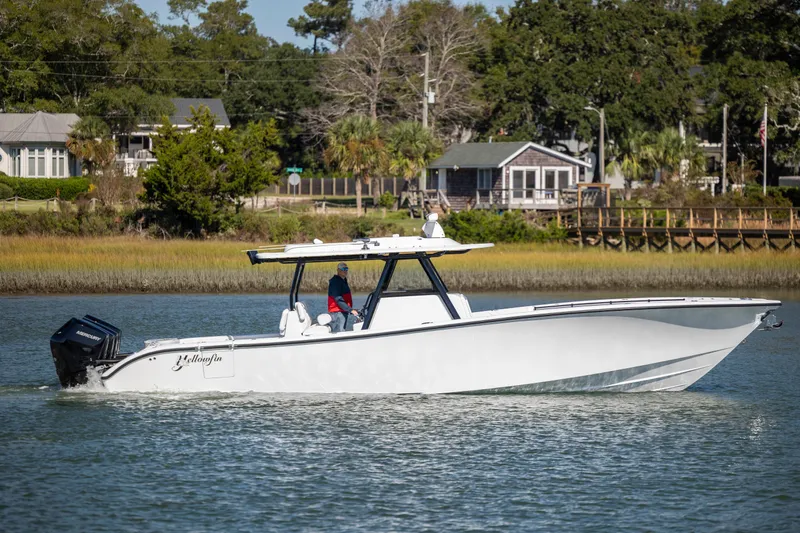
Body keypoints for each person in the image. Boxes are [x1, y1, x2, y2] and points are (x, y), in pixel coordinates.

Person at [328, 262, 358, 332]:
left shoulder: (343, 280)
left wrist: (350, 309)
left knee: (342, 331)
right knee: (339, 332)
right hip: (337, 312)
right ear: (338, 270)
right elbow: (338, 299)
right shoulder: (335, 282)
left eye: (346, 269)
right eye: (343, 269)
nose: (345, 271)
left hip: (342, 311)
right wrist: (350, 310)